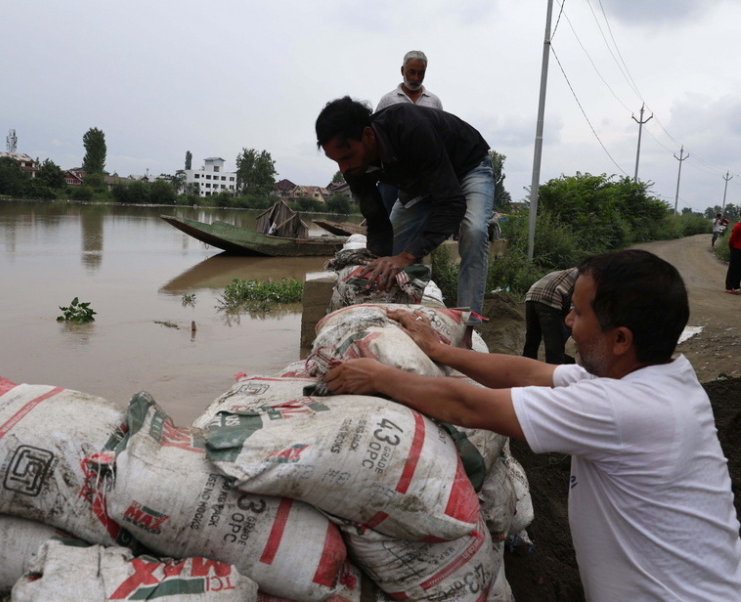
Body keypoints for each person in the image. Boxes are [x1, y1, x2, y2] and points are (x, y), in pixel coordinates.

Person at [324, 249, 741, 601]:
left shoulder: (622, 408)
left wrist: (380, 377)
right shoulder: (656, 376)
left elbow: (469, 407)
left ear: (620, 340)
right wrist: (440, 352)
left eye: (578, 313)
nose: (567, 322)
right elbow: (527, 372)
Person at [315, 96, 494, 348]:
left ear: (367, 136)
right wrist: (376, 260)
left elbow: (451, 203)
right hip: (421, 182)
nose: (343, 169)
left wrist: (407, 257)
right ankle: (401, 324)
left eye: (346, 157)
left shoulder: (411, 128)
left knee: (474, 233)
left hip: (467, 167)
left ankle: (466, 332)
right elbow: (376, 219)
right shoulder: (354, 166)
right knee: (390, 261)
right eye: (336, 162)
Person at [374, 50, 444, 214]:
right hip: (392, 176)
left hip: (423, 178)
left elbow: (441, 137)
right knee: (387, 221)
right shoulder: (388, 100)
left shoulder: (434, 102)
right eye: (411, 72)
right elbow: (374, 135)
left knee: (417, 224)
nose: (415, 78)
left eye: (421, 73)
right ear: (402, 71)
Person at [522, 268, 578, 364]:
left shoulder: (576, 271)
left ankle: (525, 371)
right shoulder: (590, 276)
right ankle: (554, 373)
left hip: (531, 295)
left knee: (532, 340)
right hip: (549, 296)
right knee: (554, 344)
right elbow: (576, 305)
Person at [726, 219, 741, 294]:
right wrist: (731, 248)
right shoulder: (738, 226)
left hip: (738, 249)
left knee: (737, 269)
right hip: (736, 250)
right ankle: (730, 287)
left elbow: (732, 239)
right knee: (734, 268)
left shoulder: (738, 226)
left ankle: (736, 287)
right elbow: (732, 239)